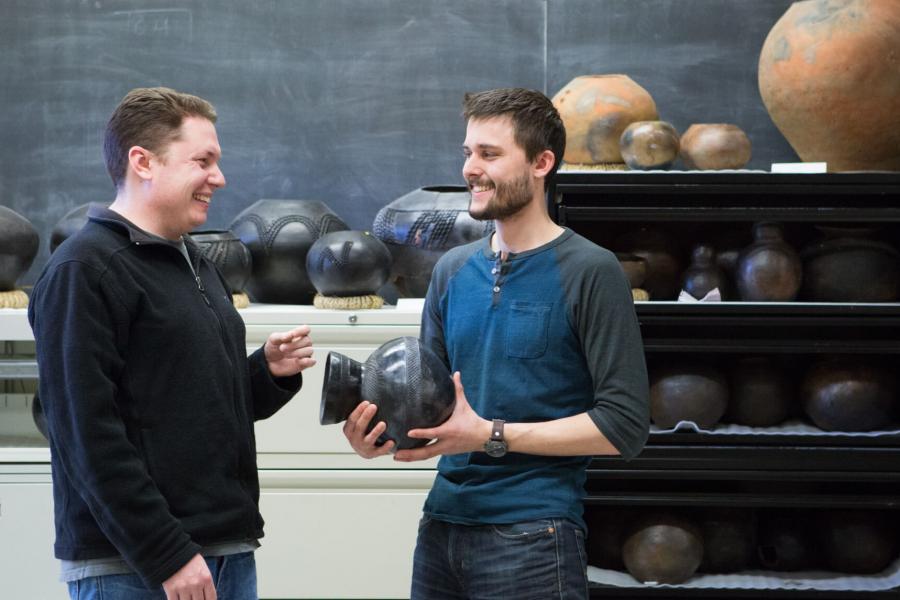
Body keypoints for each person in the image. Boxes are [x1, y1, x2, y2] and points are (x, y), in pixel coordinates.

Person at [343, 88, 649, 598]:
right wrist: (382, 435)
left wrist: (489, 434)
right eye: (468, 152)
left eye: (489, 154)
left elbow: (623, 426)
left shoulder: (592, 271)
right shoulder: (451, 270)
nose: (470, 168)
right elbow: (433, 409)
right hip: (441, 528)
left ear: (541, 162)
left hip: (533, 536)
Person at [28, 87, 316, 600]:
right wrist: (166, 554)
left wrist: (267, 373)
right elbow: (84, 432)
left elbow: (191, 405)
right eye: (202, 161)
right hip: (137, 566)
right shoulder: (84, 270)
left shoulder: (194, 263)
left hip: (222, 552)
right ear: (143, 162)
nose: (219, 178)